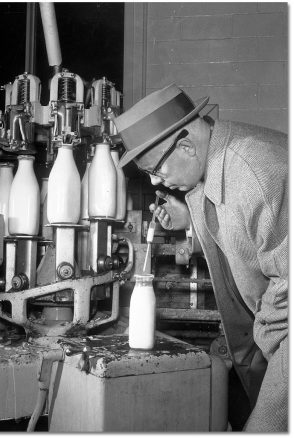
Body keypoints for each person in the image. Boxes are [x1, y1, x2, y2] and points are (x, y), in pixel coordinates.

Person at [113, 84, 288, 432]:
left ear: (185, 146)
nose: (153, 180)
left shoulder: (257, 175)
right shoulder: (216, 162)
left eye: (157, 170)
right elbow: (245, 236)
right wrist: (190, 220)